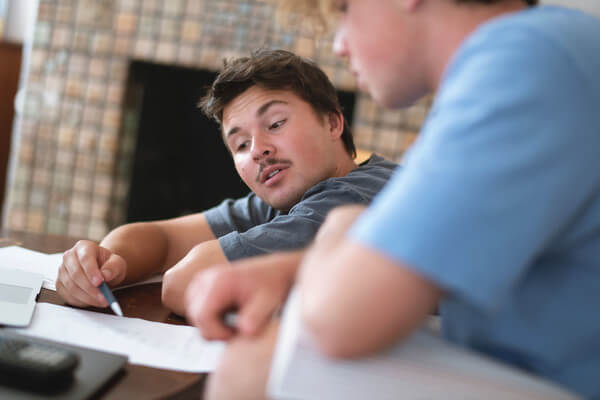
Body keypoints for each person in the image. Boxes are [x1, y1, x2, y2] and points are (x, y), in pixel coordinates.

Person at [184, 0, 600, 399]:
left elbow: (341, 319)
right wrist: (303, 263)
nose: (339, 45)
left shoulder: (524, 66)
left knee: (261, 361)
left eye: (345, 8)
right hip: (530, 361)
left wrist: (341, 227)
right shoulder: (538, 52)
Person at [56, 49, 398, 316]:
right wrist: (106, 263)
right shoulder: (287, 198)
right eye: (241, 145)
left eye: (276, 123)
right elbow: (162, 237)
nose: (259, 150)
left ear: (333, 123)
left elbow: (187, 282)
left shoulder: (352, 197)